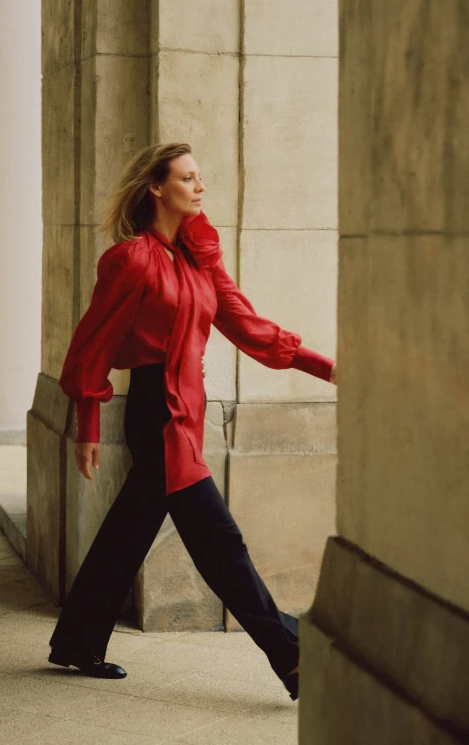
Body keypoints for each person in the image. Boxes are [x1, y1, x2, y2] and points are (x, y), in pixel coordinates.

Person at [47, 142, 336, 702]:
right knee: (220, 541)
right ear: (157, 188)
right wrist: (87, 423)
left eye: (200, 177)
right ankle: (291, 656)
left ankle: (78, 641)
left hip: (188, 410)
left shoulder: (201, 260)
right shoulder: (131, 260)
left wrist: (327, 369)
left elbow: (248, 327)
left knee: (129, 531)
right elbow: (93, 344)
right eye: (188, 177)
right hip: (158, 414)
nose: (200, 186)